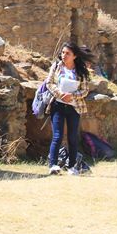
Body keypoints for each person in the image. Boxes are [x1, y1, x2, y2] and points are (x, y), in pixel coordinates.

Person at [47, 42, 91, 176]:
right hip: (57, 105)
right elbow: (49, 83)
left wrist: (72, 95)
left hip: (74, 107)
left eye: (67, 53)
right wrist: (60, 94)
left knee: (72, 137)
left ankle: (72, 167)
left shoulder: (81, 71)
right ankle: (53, 165)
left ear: (74, 56)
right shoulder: (56, 66)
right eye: (63, 53)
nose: (64, 55)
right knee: (57, 136)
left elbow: (85, 90)